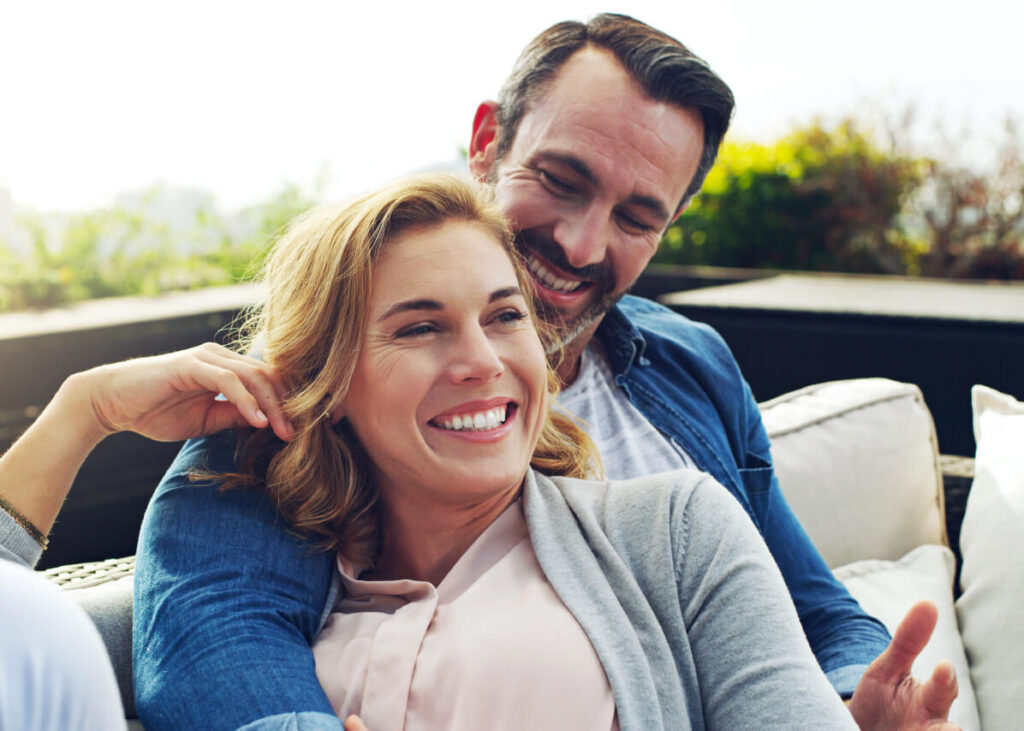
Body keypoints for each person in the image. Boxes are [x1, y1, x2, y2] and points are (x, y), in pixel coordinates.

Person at [130, 12, 958, 730]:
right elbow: (216, 628)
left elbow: (810, 607)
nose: (581, 244)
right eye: (562, 181)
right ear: (488, 141)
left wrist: (847, 699)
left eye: (637, 218)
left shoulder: (691, 373)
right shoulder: (292, 415)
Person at [5, 174, 871, 729]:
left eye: (504, 316)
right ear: (329, 381)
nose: (482, 361)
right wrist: (83, 411)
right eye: (421, 327)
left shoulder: (675, 529)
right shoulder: (260, 596)